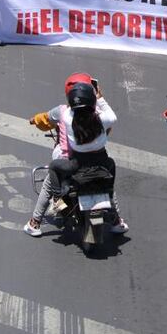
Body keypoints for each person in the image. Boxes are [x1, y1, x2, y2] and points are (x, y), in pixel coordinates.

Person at [24, 78, 127, 237]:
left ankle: (38, 219)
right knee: (108, 184)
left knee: (52, 172)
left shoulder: (66, 116)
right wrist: (100, 98)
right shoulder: (102, 118)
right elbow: (111, 118)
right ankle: (116, 220)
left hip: (75, 163)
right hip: (101, 161)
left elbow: (47, 118)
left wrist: (34, 120)